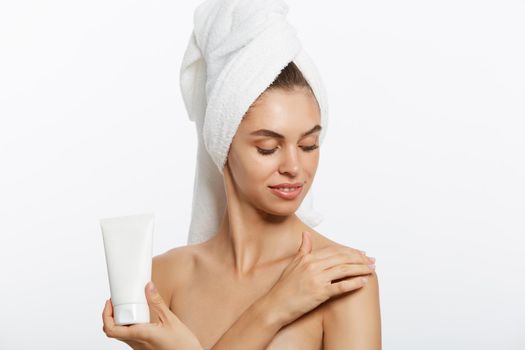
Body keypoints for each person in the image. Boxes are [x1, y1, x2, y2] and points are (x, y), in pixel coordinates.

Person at [102, 61, 381, 349]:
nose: (294, 167)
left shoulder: (340, 279)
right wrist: (273, 309)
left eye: (309, 145)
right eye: (268, 148)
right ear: (222, 145)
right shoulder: (163, 278)